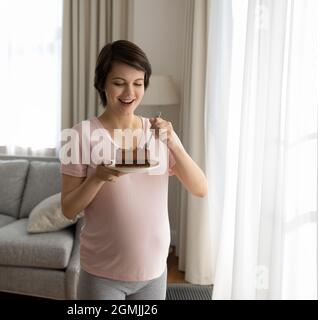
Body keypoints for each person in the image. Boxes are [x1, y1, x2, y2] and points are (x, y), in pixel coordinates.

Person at [60, 40, 208, 300]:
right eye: (119, 82)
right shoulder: (81, 134)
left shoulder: (159, 132)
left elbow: (200, 188)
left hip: (154, 274)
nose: (129, 92)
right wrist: (97, 179)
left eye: (138, 83)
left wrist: (174, 143)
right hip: (102, 277)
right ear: (103, 83)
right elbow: (68, 209)